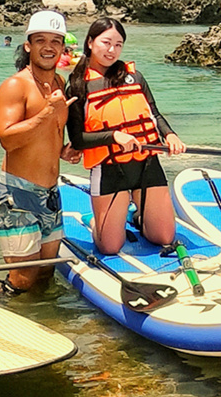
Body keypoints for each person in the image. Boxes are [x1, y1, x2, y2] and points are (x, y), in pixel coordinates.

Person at [65, 17, 186, 254]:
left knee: (163, 237)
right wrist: (114, 137)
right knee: (110, 247)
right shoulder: (78, 86)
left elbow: (154, 114)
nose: (112, 50)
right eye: (106, 42)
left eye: (118, 44)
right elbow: (78, 139)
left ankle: (138, 215)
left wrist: (170, 135)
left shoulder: (135, 77)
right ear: (90, 42)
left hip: (147, 164)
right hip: (110, 169)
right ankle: (95, 221)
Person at [0, 10, 81, 293]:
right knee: (23, 279)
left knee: (45, 274)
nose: (48, 47)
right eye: (40, 40)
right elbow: (7, 139)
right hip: (18, 194)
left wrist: (62, 151)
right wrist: (47, 113)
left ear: (63, 48)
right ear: (28, 45)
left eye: (55, 41)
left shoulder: (59, 84)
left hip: (51, 194)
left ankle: (45, 325)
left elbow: (48, 133)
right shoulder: (15, 85)